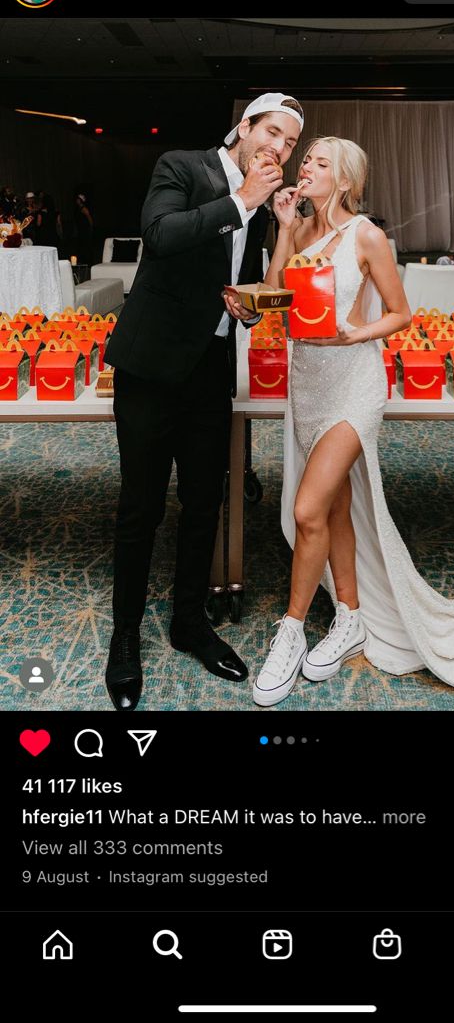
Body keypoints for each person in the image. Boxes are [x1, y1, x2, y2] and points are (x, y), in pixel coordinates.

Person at [253, 137, 454, 706]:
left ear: (346, 180)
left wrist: (357, 332)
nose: (305, 167)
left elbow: (402, 313)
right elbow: (273, 296)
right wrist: (282, 227)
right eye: (305, 159)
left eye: (319, 163)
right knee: (332, 506)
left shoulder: (366, 235)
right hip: (306, 382)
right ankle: (351, 617)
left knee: (306, 509)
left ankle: (290, 630)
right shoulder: (300, 230)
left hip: (354, 383)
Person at [103, 93, 304, 710]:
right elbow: (160, 237)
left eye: (290, 143)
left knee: (202, 505)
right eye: (272, 132)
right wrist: (242, 199)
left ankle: (189, 622)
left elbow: (239, 281)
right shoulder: (184, 167)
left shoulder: (267, 204)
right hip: (151, 366)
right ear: (244, 128)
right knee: (141, 508)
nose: (279, 148)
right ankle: (125, 638)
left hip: (211, 374)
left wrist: (248, 305)